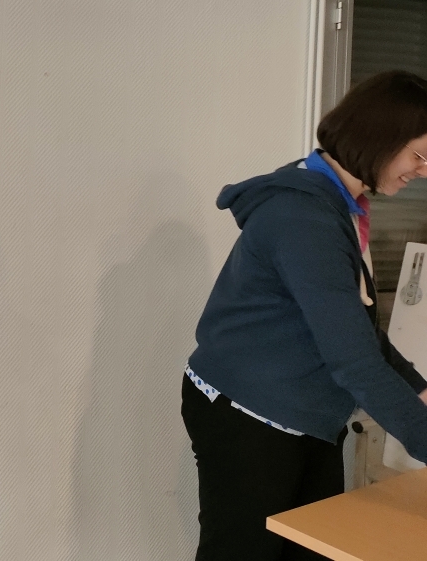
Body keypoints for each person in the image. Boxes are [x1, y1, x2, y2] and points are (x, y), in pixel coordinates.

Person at [183, 70, 427, 561]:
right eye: (418, 156)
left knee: (316, 544)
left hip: (307, 411)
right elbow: (354, 361)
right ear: (379, 137)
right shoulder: (305, 217)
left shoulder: (339, 204)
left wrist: (418, 389)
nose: (422, 171)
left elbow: (354, 326)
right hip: (249, 411)